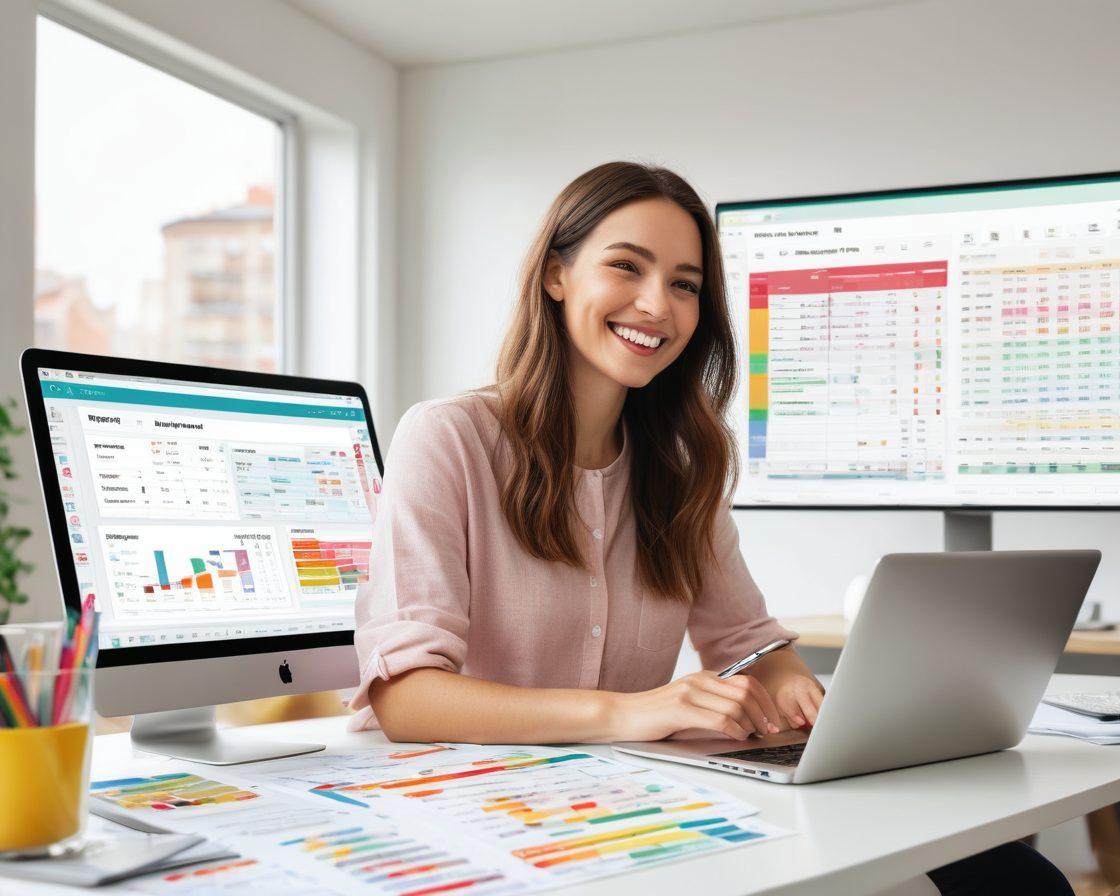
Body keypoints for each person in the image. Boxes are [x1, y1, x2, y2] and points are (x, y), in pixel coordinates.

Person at [349, 161, 1072, 896]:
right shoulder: (449, 437)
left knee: (1017, 880)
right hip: (472, 813)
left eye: (686, 284)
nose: (656, 304)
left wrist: (806, 701)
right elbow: (407, 698)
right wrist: (630, 713)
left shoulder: (681, 464)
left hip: (620, 804)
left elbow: (749, 642)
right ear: (557, 274)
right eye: (626, 266)